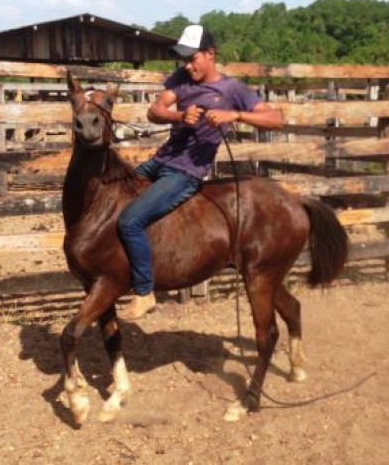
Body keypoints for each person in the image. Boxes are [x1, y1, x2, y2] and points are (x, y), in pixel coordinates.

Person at [117, 24, 284, 320]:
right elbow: (154, 111)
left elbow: (276, 118)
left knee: (130, 221)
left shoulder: (232, 90)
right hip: (159, 161)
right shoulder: (181, 79)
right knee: (114, 194)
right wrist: (179, 115)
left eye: (192, 58)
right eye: (184, 59)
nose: (187, 65)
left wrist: (235, 114)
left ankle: (143, 292)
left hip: (185, 173)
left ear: (210, 54)